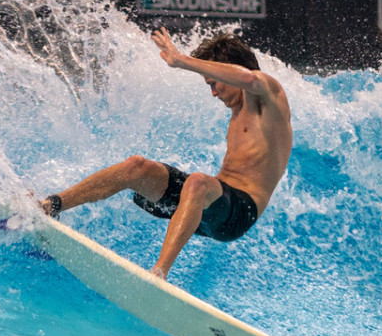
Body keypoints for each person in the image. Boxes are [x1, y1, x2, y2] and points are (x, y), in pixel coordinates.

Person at [40, 27, 292, 279]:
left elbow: (251, 79)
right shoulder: (237, 111)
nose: (213, 93)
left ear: (231, 70)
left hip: (238, 214)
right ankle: (52, 205)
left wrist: (182, 60)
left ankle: (158, 274)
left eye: (213, 83)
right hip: (209, 207)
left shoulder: (269, 97)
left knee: (197, 183)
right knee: (136, 167)